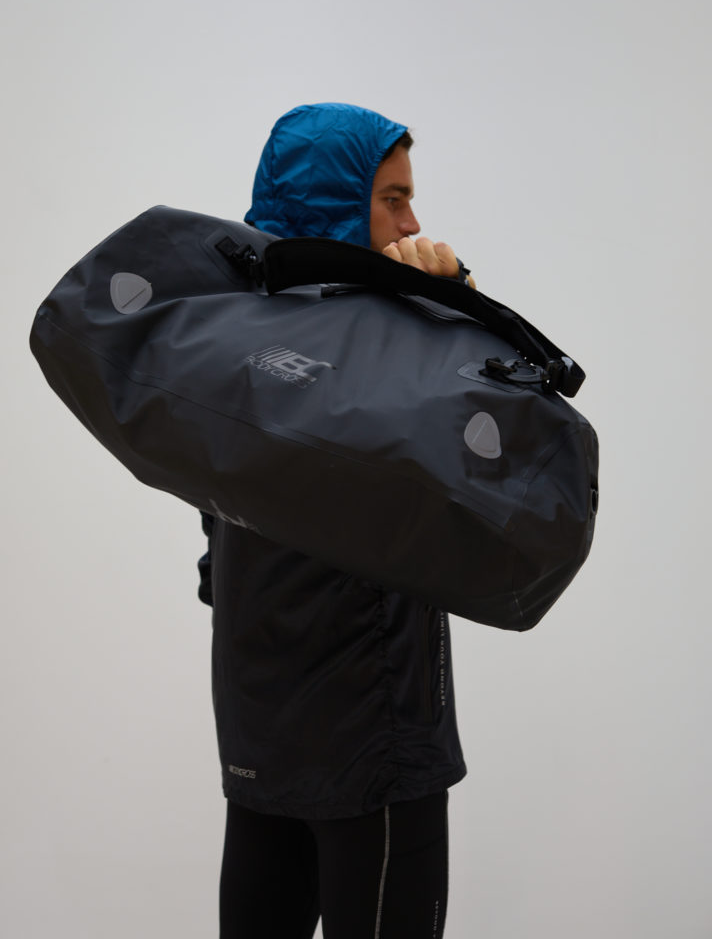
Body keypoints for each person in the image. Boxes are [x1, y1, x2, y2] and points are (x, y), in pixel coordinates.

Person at [198, 103, 473, 939]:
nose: (412, 223)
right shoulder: (396, 348)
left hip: (257, 735)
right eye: (393, 199)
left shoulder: (224, 346)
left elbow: (216, 556)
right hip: (376, 748)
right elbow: (491, 473)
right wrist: (454, 308)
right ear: (334, 209)